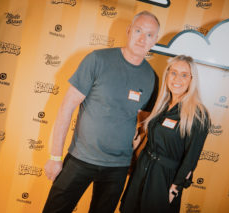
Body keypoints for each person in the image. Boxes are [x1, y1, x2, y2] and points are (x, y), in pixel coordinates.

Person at [43, 10, 160, 213]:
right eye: (139, 30)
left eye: (149, 35)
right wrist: (55, 157)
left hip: (117, 168)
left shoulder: (151, 78)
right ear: (129, 30)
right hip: (80, 159)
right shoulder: (97, 60)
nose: (142, 39)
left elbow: (144, 125)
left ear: (155, 40)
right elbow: (66, 108)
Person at [120, 55, 210, 213]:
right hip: (143, 169)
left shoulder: (198, 114)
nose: (177, 79)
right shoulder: (162, 104)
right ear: (167, 74)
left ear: (191, 79)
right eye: (173, 72)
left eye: (184, 75)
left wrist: (175, 187)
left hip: (164, 179)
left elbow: (191, 158)